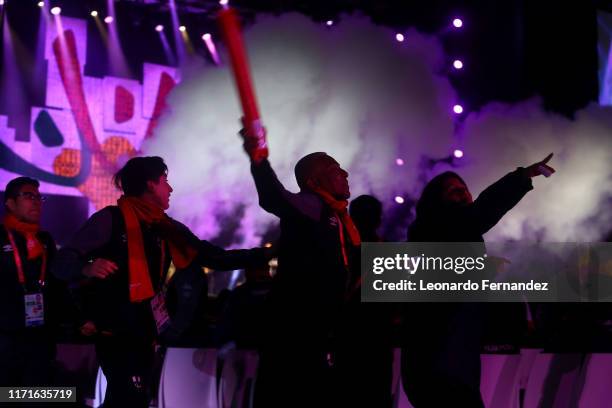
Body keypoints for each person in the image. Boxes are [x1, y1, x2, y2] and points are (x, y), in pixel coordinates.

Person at [52, 156, 272, 408]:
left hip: (146, 332)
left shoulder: (164, 226)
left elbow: (213, 256)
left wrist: (264, 254)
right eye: (164, 181)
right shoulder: (110, 220)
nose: (170, 188)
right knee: (129, 397)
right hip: (115, 333)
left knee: (130, 399)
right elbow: (61, 263)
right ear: (149, 184)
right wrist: (87, 267)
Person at [401, 154, 555, 408]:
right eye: (454, 191)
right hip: (437, 360)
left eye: (465, 190)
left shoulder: (456, 231)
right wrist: (521, 177)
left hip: (450, 358)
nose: (464, 195)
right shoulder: (433, 225)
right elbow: (482, 211)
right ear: (436, 201)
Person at [240, 129, 361, 407]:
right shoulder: (313, 204)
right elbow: (274, 197)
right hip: (297, 334)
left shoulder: (337, 216)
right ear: (313, 181)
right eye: (335, 170)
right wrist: (259, 159)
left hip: (313, 331)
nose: (345, 173)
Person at [0, 177, 61, 387]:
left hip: (39, 336)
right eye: (28, 196)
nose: (36, 201)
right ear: (9, 202)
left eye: (38, 197)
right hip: (5, 337)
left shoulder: (44, 239)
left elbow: (57, 283)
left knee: (36, 397)